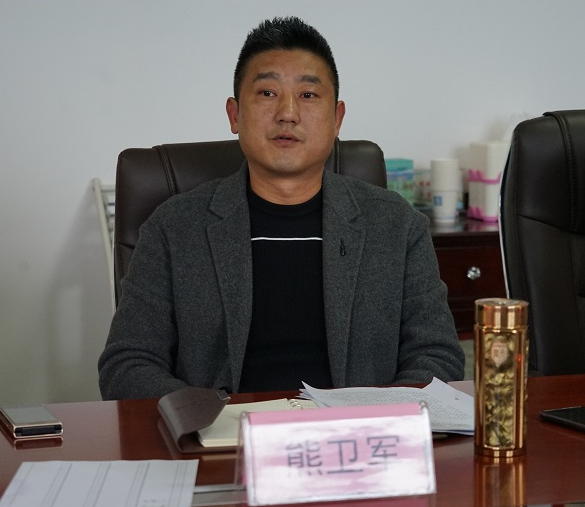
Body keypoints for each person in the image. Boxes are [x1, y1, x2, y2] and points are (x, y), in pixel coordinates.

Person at [98, 16, 464, 400]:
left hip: (354, 433)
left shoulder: (397, 226)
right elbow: (127, 364)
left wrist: (373, 419)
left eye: (308, 95)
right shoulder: (173, 228)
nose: (287, 113)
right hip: (222, 433)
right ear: (235, 115)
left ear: (337, 118)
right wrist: (208, 419)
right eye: (268, 92)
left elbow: (437, 355)